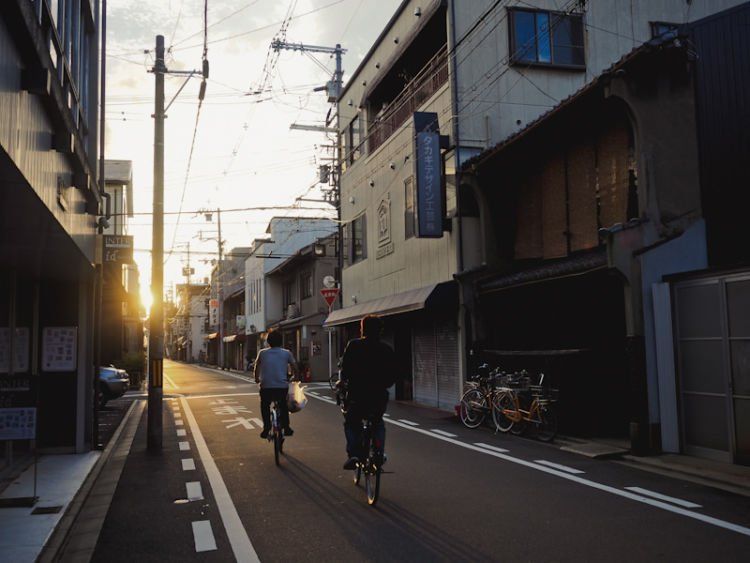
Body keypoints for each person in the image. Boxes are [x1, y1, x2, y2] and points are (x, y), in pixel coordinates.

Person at [339, 315, 397, 470]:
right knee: (377, 422)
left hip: (357, 395)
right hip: (378, 396)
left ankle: (355, 454)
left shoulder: (354, 346)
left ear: (362, 329)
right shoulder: (386, 349)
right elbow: (393, 375)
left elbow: (345, 370)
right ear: (380, 331)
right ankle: (378, 454)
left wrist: (343, 383)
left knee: (352, 422)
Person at [253, 330, 298, 439]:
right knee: (283, 405)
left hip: (266, 386)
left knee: (265, 405)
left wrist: (257, 379)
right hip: (281, 387)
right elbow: (294, 366)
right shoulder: (286, 353)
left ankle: (266, 427)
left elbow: (257, 367)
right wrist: (294, 377)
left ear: (268, 342)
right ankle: (286, 427)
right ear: (281, 342)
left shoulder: (262, 353)